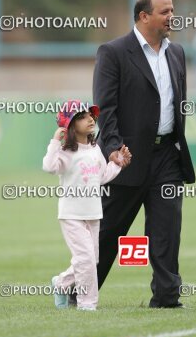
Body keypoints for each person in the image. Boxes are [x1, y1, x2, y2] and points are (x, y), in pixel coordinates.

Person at [93, 0, 196, 309]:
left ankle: (166, 297)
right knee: (108, 234)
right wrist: (112, 149)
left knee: (167, 229)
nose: (171, 17)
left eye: (173, 10)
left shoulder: (176, 52)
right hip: (125, 157)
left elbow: (178, 104)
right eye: (165, 11)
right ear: (144, 16)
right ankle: (77, 290)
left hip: (166, 155)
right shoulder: (113, 52)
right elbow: (105, 108)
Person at [42, 99, 131, 311]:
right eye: (82, 117)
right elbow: (49, 167)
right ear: (70, 126)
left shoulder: (95, 148)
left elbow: (101, 176)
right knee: (86, 260)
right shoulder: (64, 151)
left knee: (91, 259)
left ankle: (61, 283)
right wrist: (55, 141)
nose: (90, 119)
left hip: (93, 214)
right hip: (71, 214)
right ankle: (87, 304)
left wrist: (117, 163)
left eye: (90, 115)